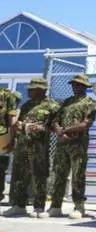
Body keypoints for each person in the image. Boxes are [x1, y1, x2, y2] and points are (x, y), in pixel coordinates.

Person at [3, 78, 59, 218]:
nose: (28, 91)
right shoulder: (27, 105)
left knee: (39, 176)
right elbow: (20, 122)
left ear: (41, 90)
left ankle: (39, 207)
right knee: (19, 176)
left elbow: (55, 127)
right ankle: (19, 205)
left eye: (32, 89)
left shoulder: (52, 106)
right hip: (22, 147)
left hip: (39, 148)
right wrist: (17, 127)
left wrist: (35, 127)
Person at [48, 74, 96, 219]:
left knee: (78, 176)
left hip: (78, 145)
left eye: (79, 85)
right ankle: (55, 206)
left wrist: (66, 130)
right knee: (59, 175)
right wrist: (59, 131)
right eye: (74, 84)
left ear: (85, 87)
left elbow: (86, 124)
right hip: (62, 144)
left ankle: (79, 207)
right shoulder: (66, 102)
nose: (76, 87)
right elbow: (55, 120)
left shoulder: (89, 103)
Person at [0, 87, 18, 205]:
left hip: (1, 136)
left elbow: (11, 121)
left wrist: (13, 139)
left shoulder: (7, 95)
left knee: (0, 168)